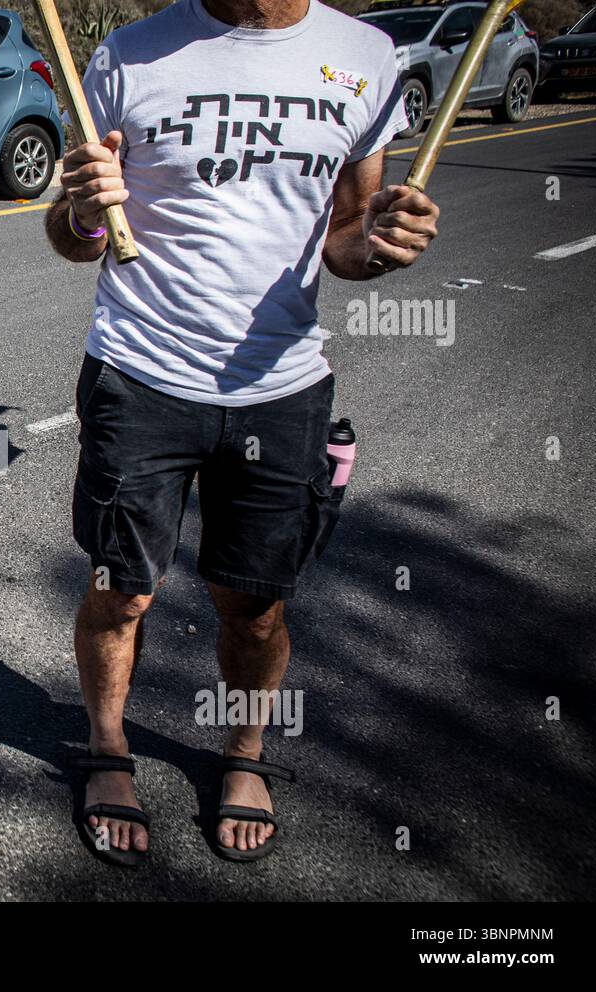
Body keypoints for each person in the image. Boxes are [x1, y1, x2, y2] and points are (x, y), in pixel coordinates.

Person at [45, 0, 439, 866]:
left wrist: (383, 246)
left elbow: (345, 239)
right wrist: (79, 209)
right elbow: (74, 239)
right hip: (139, 374)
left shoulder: (364, 57)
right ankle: (109, 753)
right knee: (121, 590)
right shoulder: (128, 56)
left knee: (254, 608)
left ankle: (244, 755)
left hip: (281, 386)